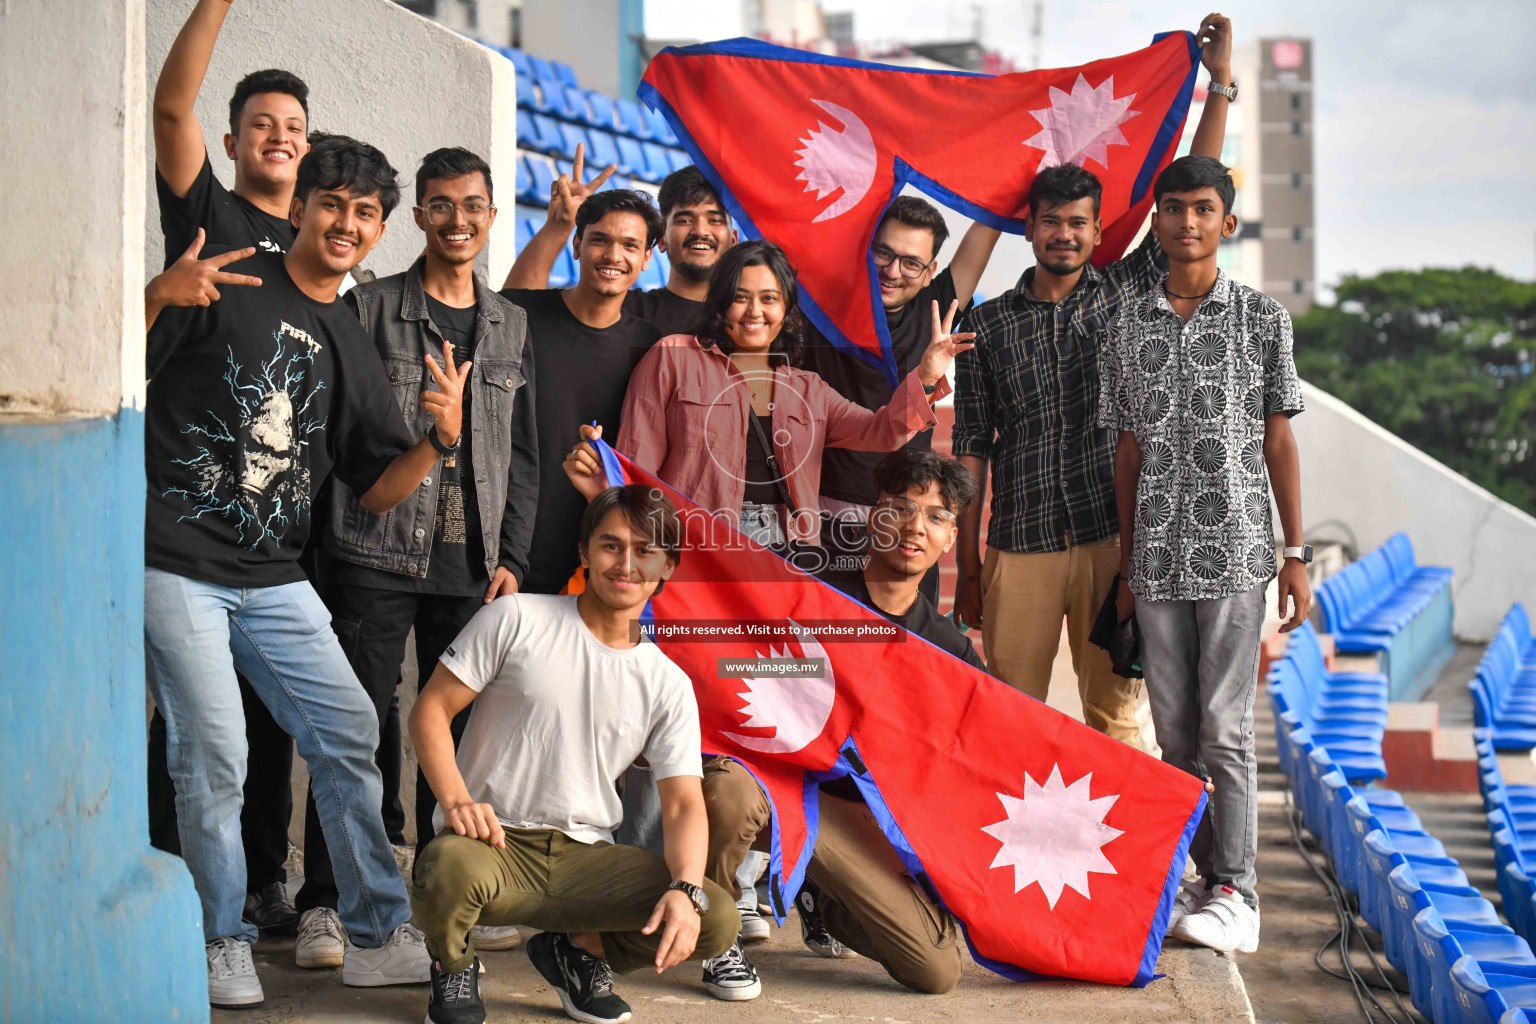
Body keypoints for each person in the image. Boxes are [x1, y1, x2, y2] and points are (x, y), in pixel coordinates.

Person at [143, 136, 453, 1008]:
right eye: (333, 204)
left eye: (365, 213)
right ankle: (220, 939)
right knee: (215, 755)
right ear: (303, 209)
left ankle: (374, 932)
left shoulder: (348, 338)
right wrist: (155, 298)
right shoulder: (238, 270)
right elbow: (172, 113)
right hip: (176, 559)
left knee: (350, 735)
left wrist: (440, 438)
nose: (346, 222)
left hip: (274, 576)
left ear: (380, 230)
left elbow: (379, 488)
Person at [952, 13, 1237, 746]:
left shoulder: (1125, 292)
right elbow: (972, 448)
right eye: (1051, 222)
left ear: (1096, 227)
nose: (1065, 235)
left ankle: (1136, 865)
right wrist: (970, 564)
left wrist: (1219, 87)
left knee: (1116, 719)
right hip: (1020, 541)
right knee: (1009, 716)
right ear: (1030, 228)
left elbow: (1192, 191)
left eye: (1079, 223)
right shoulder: (987, 327)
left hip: (1114, 542)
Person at [287, 148, 539, 968]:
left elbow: (522, 453)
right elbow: (334, 434)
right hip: (372, 549)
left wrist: (512, 556)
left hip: (470, 566)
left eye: (472, 206)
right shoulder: (371, 307)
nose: (457, 220)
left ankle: (441, 892)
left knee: (455, 740)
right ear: (419, 217)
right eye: (440, 205)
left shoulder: (511, 324)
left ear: (492, 216)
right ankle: (327, 900)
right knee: (356, 727)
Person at [409, 485, 737, 1024]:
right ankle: (454, 965)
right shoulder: (516, 618)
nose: (626, 563)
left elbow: (681, 805)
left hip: (587, 858)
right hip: (494, 844)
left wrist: (684, 888)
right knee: (446, 870)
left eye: (645, 550)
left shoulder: (667, 683)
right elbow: (430, 711)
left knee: (715, 916)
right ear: (584, 553)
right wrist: (456, 802)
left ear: (668, 567)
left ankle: (578, 954)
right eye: (610, 545)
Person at [1099, 153, 1310, 954]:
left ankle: (1239, 890)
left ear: (1227, 222)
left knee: (1225, 727)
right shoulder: (1125, 326)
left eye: (1202, 209)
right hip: (1154, 556)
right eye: (1173, 208)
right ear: (1157, 221)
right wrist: (1124, 563)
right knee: (1176, 734)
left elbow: (1278, 440)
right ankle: (1199, 873)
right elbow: (1126, 452)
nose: (1186, 221)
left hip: (1236, 552)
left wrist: (1296, 552)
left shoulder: (1262, 320)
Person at [144, 0, 318, 936]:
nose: (278, 138)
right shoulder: (208, 211)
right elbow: (171, 110)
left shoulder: (326, 253)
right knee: (197, 735)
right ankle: (181, 898)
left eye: (293, 127)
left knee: (276, 730)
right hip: (185, 532)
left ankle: (267, 883)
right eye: (262, 125)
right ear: (235, 139)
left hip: (281, 546)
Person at [694, 450, 982, 1000]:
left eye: (937, 516)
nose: (915, 525)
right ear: (874, 515)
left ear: (950, 538)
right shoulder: (806, 582)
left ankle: (817, 896)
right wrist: (610, 492)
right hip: (774, 776)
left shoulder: (950, 652)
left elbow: (1003, 747)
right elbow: (706, 571)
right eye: (900, 507)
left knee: (937, 971)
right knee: (727, 793)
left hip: (853, 815)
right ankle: (718, 930)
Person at [562, 240, 972, 555]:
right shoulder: (674, 356)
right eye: (740, 297)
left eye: (769, 298)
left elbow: (881, 431)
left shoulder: (808, 388)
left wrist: (925, 375)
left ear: (786, 308)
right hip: (694, 548)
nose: (754, 311)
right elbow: (638, 467)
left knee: (771, 666)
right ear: (720, 303)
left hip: (787, 555)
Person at [801, 196, 1000, 597]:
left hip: (905, 522)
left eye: (911, 263)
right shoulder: (820, 305)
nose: (893, 271)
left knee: (901, 650)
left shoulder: (935, 309)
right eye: (883, 254)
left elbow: (991, 221)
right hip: (821, 519)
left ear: (931, 273)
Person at [501, 188, 664, 595]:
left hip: (600, 568)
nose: (613, 255)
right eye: (600, 239)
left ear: (646, 259)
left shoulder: (652, 349)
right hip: (503, 552)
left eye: (630, 245)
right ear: (576, 244)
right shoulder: (519, 317)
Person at [505, 159, 736, 338]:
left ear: (734, 239)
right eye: (684, 220)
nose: (700, 231)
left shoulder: (750, 319)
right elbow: (512, 314)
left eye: (715, 220)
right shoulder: (620, 307)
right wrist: (557, 227)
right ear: (661, 240)